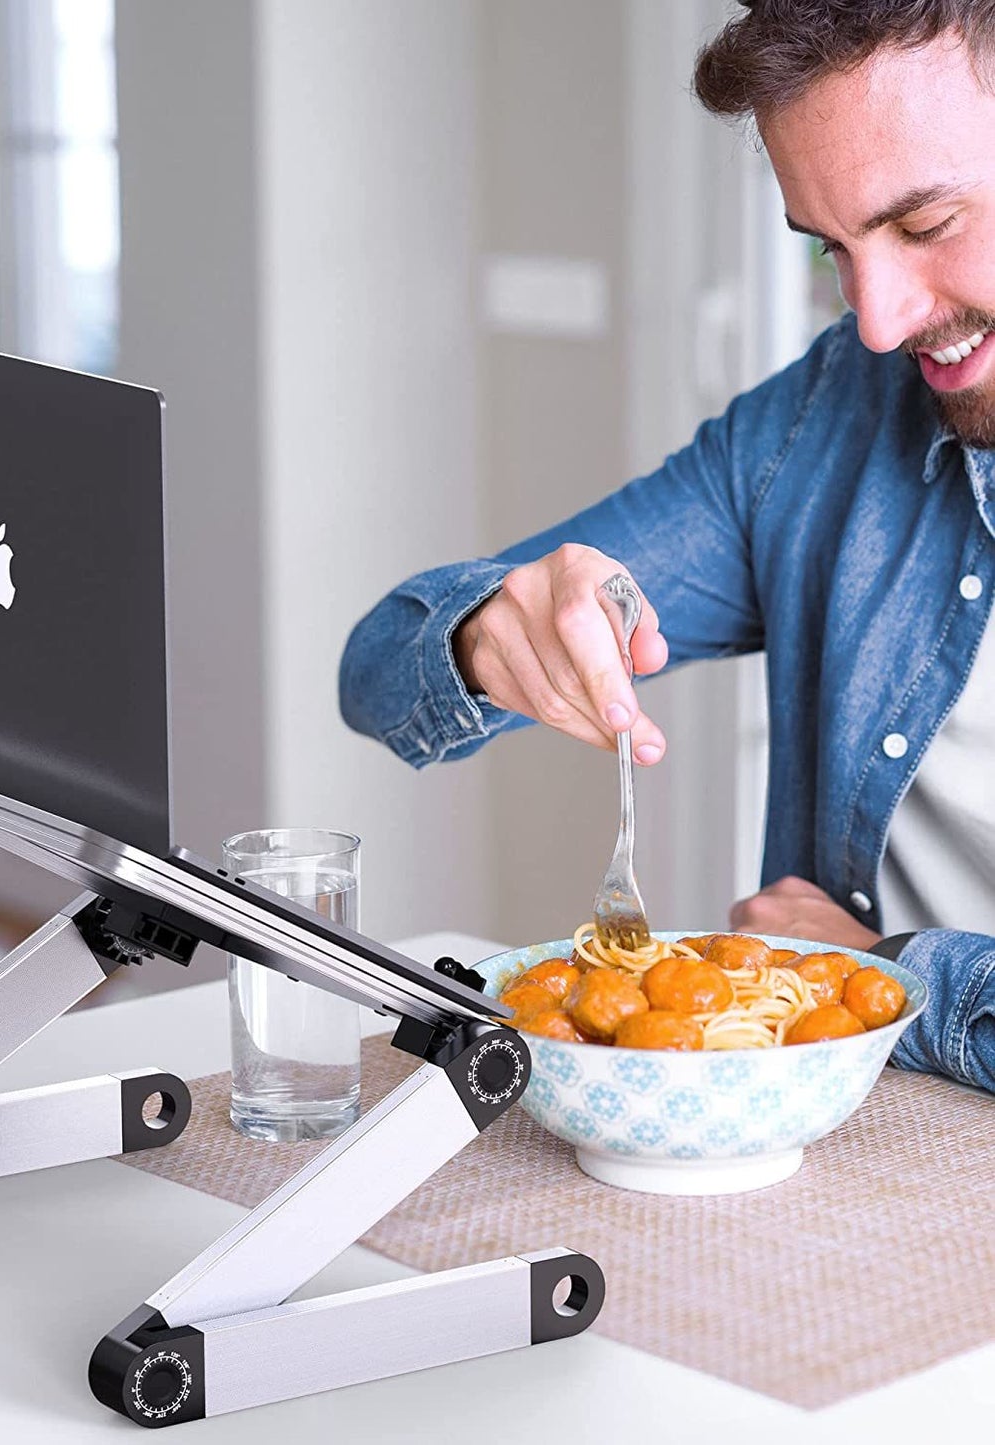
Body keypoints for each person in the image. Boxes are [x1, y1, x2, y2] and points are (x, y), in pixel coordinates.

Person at [338, 0, 995, 1091]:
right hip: (844, 1156)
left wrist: (886, 976)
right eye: (833, 248)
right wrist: (490, 631)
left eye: (923, 226)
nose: (875, 321)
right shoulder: (826, 417)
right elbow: (376, 668)